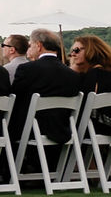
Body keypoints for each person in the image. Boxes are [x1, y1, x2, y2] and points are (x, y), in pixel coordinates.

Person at [8, 28, 82, 156]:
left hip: (30, 130)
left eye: (30, 45)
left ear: (39, 45)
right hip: (62, 130)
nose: (28, 49)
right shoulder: (72, 74)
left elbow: (14, 98)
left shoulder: (27, 69)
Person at [69, 34, 111, 140]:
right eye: (72, 50)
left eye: (77, 50)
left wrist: (71, 72)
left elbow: (82, 105)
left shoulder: (94, 74)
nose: (72, 54)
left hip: (92, 130)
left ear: (91, 50)